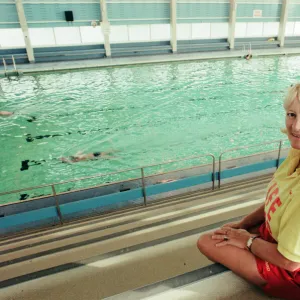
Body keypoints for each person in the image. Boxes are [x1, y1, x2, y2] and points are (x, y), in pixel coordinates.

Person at [197, 84, 300, 300]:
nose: (296, 126)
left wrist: (248, 241)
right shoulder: (296, 152)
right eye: (292, 114)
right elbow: (280, 199)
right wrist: (243, 225)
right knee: (224, 234)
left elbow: (291, 262)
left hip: (291, 271)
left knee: (207, 241)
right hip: (278, 238)